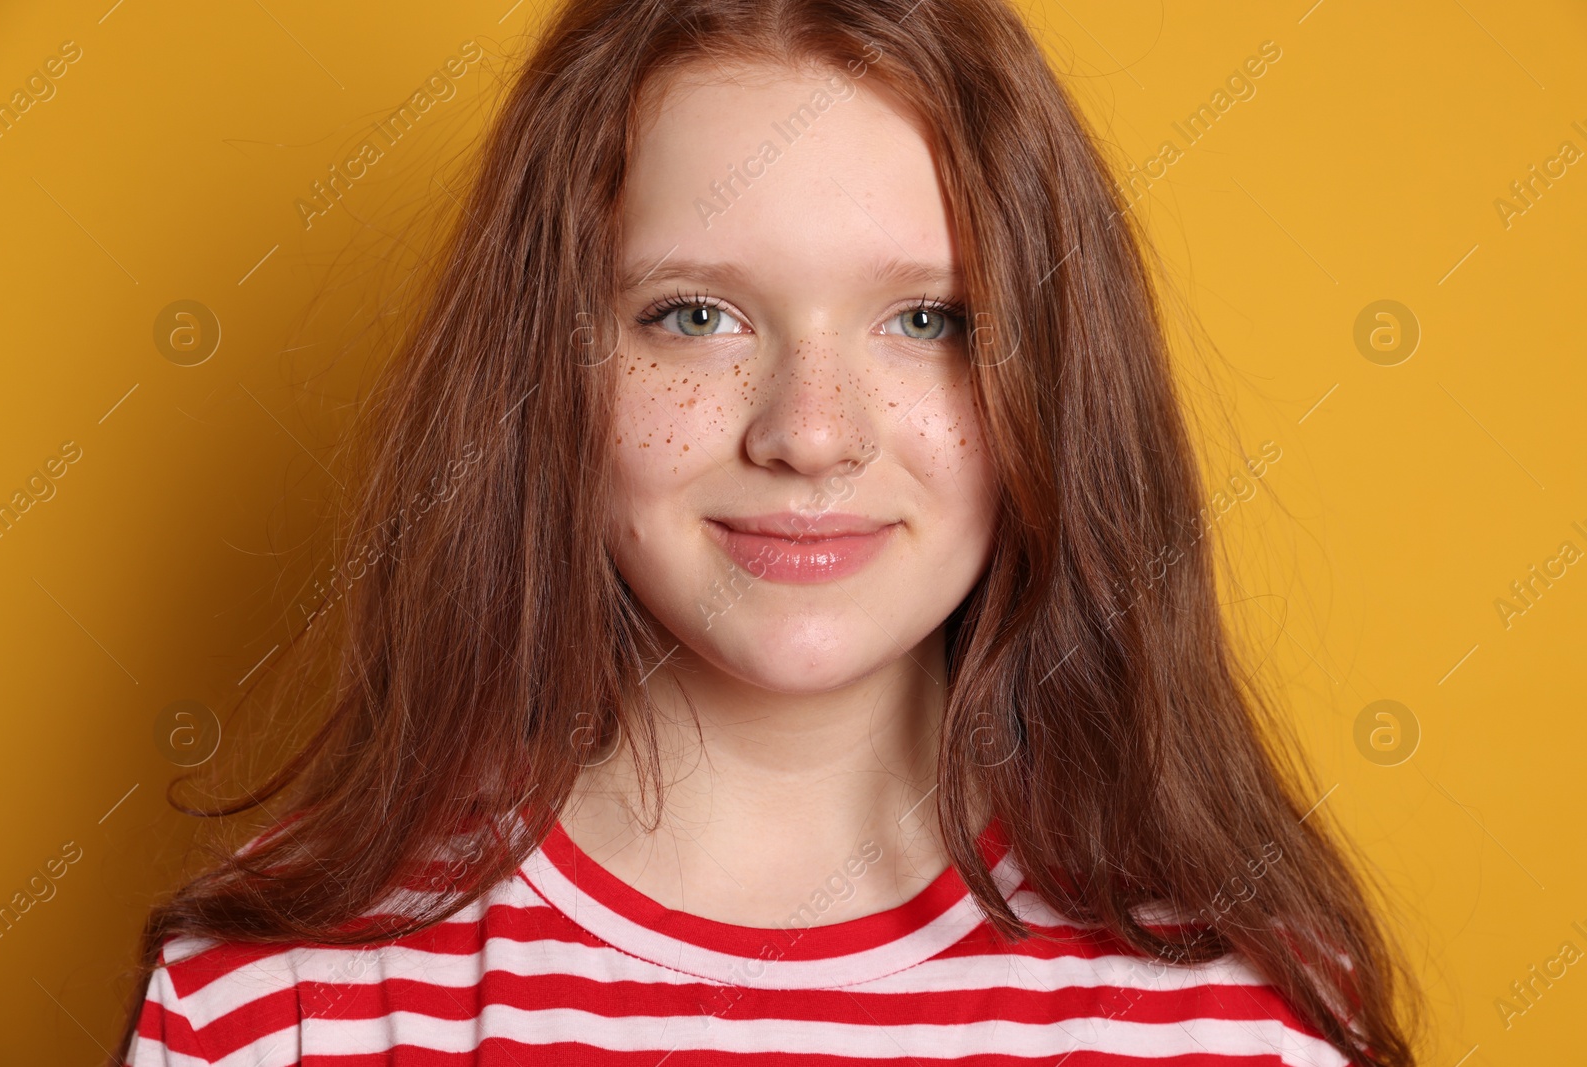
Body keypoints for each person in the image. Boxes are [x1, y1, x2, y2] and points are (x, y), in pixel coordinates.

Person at [114, 0, 1421, 1063]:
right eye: (695, 315)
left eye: (927, 320)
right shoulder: (281, 999)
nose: (809, 433)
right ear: (551, 366)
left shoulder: (1236, 1020)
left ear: (1056, 381)